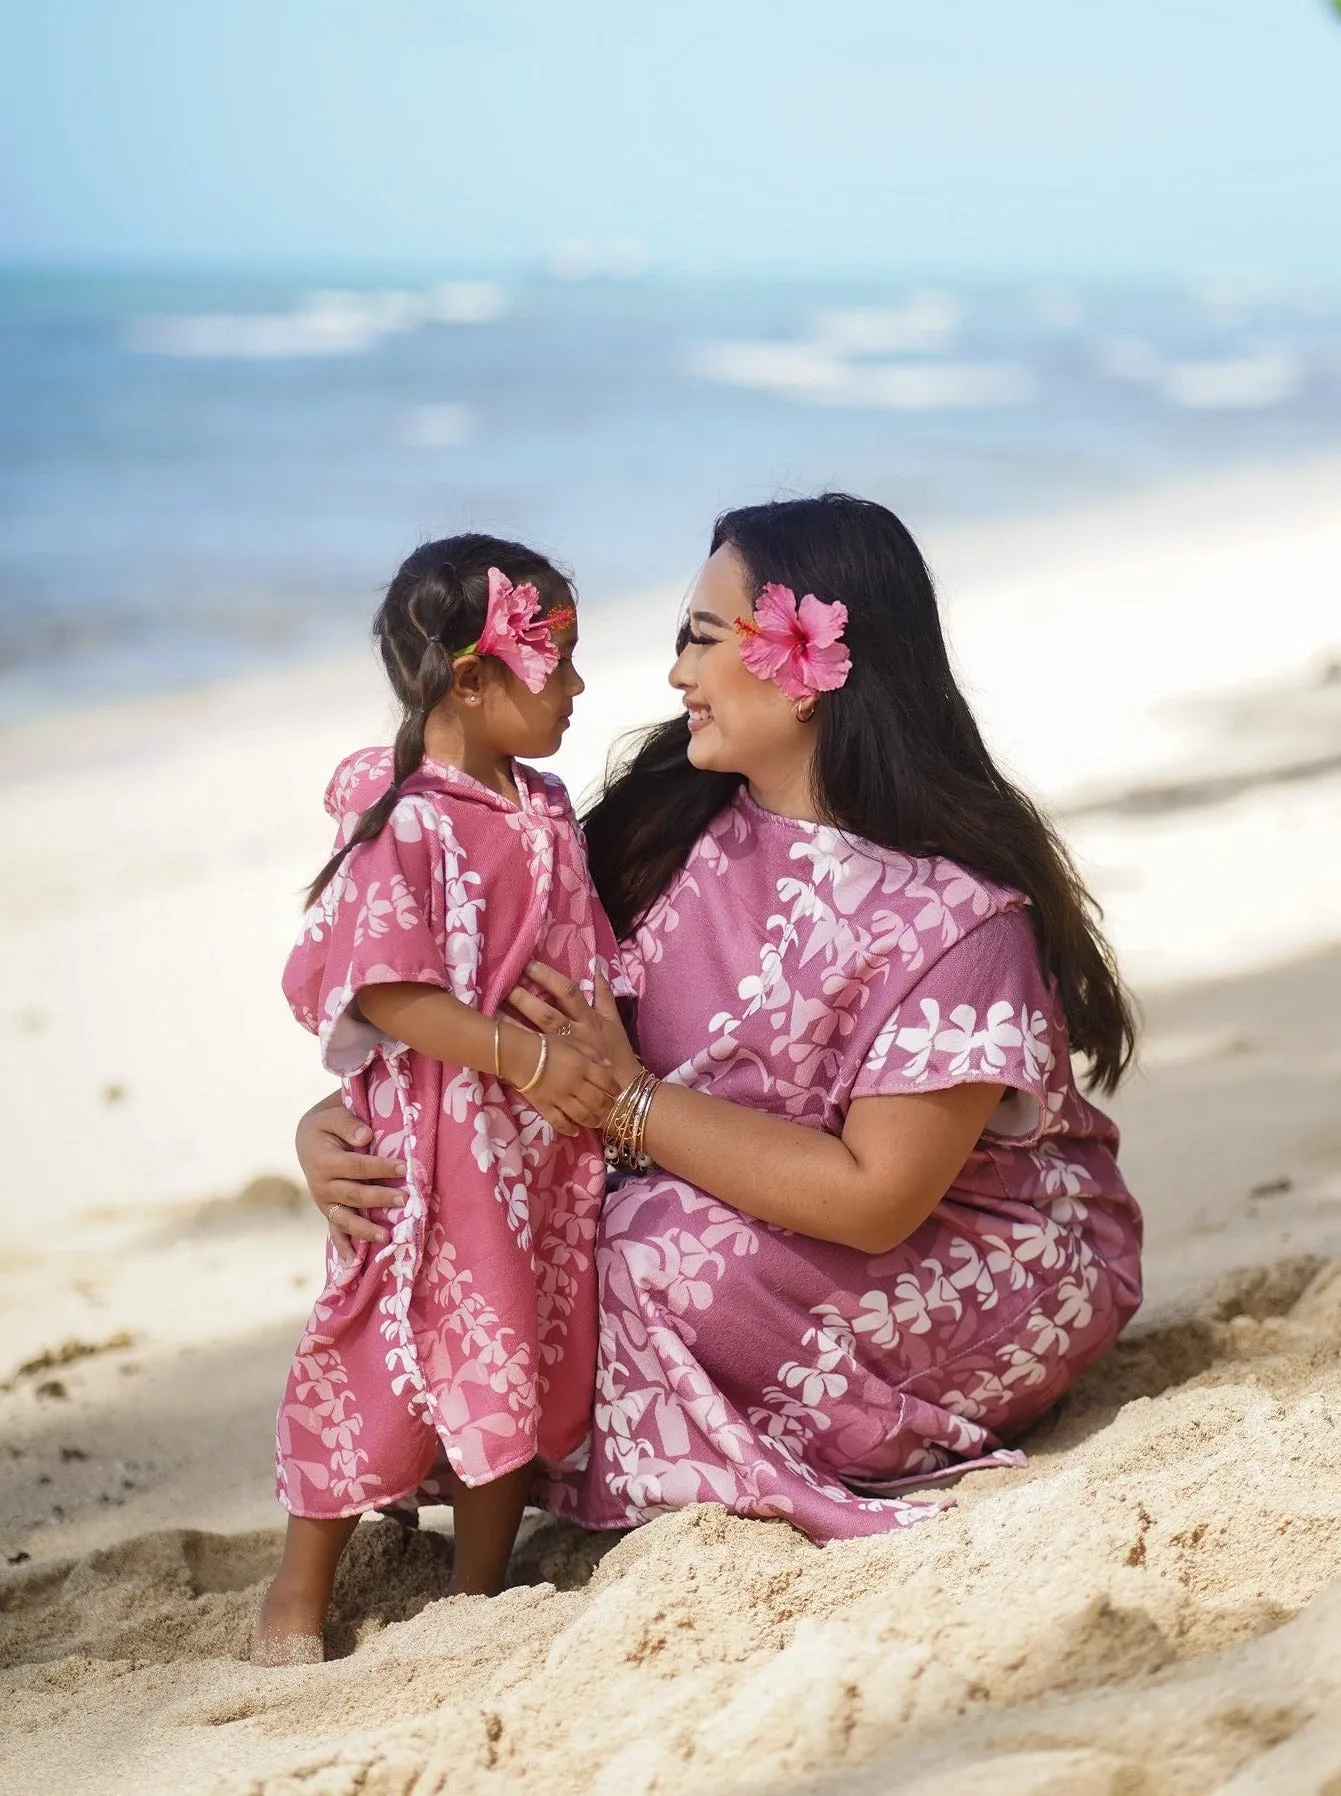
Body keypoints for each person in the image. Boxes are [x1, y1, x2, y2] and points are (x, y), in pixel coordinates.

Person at [298, 494, 1142, 1549]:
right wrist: (338, 1130)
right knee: (474, 1208)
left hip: (976, 1254)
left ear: (806, 663)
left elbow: (875, 1197)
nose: (674, 675)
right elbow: (478, 992)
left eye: (701, 639)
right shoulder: (667, 824)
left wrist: (630, 1105)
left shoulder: (959, 921)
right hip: (710, 1197)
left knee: (641, 1250)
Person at [253, 535, 625, 1665]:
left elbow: (578, 947)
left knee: (520, 1340)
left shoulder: (544, 804)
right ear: (471, 679)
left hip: (530, 1152)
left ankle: (479, 1590)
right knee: (372, 1344)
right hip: (430, 1145)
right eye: (553, 660)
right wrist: (530, 1061)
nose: (573, 685)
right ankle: (298, 1587)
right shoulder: (405, 815)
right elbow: (392, 987)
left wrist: (588, 1053)